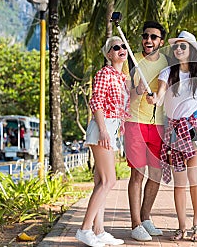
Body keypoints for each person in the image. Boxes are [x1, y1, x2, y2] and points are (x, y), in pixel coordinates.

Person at [147, 31, 197, 242]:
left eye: (183, 46)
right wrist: (154, 100)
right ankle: (182, 226)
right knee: (179, 182)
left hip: (195, 126)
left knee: (194, 178)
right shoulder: (167, 73)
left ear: (192, 50)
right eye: (176, 46)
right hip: (175, 130)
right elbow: (159, 96)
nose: (178, 49)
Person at [75, 36, 130, 247]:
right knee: (109, 181)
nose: (121, 49)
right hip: (102, 127)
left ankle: (99, 230)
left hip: (112, 128)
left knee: (101, 182)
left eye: (123, 46)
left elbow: (126, 105)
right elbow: (96, 100)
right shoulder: (105, 73)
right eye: (116, 47)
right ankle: (85, 229)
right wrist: (104, 131)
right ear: (109, 54)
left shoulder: (122, 78)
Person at [122, 21, 168, 242]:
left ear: (161, 42)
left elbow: (165, 92)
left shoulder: (166, 63)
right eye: (145, 36)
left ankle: (146, 217)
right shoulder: (131, 61)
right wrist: (136, 91)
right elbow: (122, 94)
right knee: (137, 174)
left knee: (156, 174)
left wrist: (157, 98)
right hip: (135, 122)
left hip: (158, 125)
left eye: (153, 37)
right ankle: (135, 224)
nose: (148, 40)